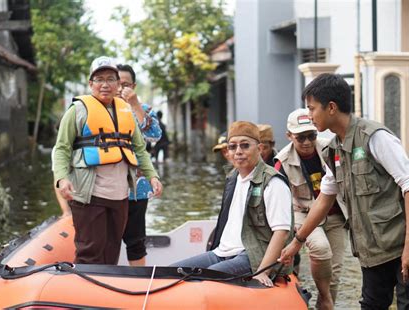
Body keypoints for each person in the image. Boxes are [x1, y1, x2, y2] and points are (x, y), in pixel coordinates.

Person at [279, 73, 409, 309]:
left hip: (408, 240)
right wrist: (297, 242)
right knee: (372, 304)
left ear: (331, 107)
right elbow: (324, 200)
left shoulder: (374, 138)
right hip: (374, 247)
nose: (310, 115)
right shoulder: (334, 149)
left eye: (312, 108)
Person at [53, 56, 163, 265]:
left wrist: (152, 176)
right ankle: (84, 296)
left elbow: (140, 149)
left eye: (111, 79)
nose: (105, 84)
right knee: (90, 252)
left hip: (120, 196)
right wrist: (61, 178)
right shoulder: (77, 110)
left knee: (112, 252)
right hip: (89, 194)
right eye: (99, 79)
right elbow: (62, 149)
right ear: (91, 83)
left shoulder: (126, 112)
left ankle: (105, 296)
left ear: (118, 84)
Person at [172, 121, 293, 287]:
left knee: (203, 282)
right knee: (169, 273)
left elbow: (282, 232)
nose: (238, 152)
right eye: (232, 147)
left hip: (252, 256)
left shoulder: (273, 182)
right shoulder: (232, 178)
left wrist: (263, 271)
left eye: (245, 146)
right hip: (221, 252)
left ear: (259, 149)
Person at [274, 108, 348, 309]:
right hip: (302, 214)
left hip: (335, 215)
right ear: (289, 136)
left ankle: (324, 305)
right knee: (321, 249)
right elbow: (277, 200)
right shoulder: (281, 163)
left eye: (311, 135)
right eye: (300, 137)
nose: (307, 142)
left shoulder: (330, 149)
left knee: (336, 271)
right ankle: (324, 297)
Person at [117, 63, 162, 266]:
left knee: (135, 240)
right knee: (105, 239)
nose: (120, 88)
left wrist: (134, 104)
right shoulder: (100, 109)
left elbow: (154, 136)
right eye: (116, 83)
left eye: (125, 84)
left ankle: (138, 284)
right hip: (104, 185)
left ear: (133, 86)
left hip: (137, 187)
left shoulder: (142, 109)